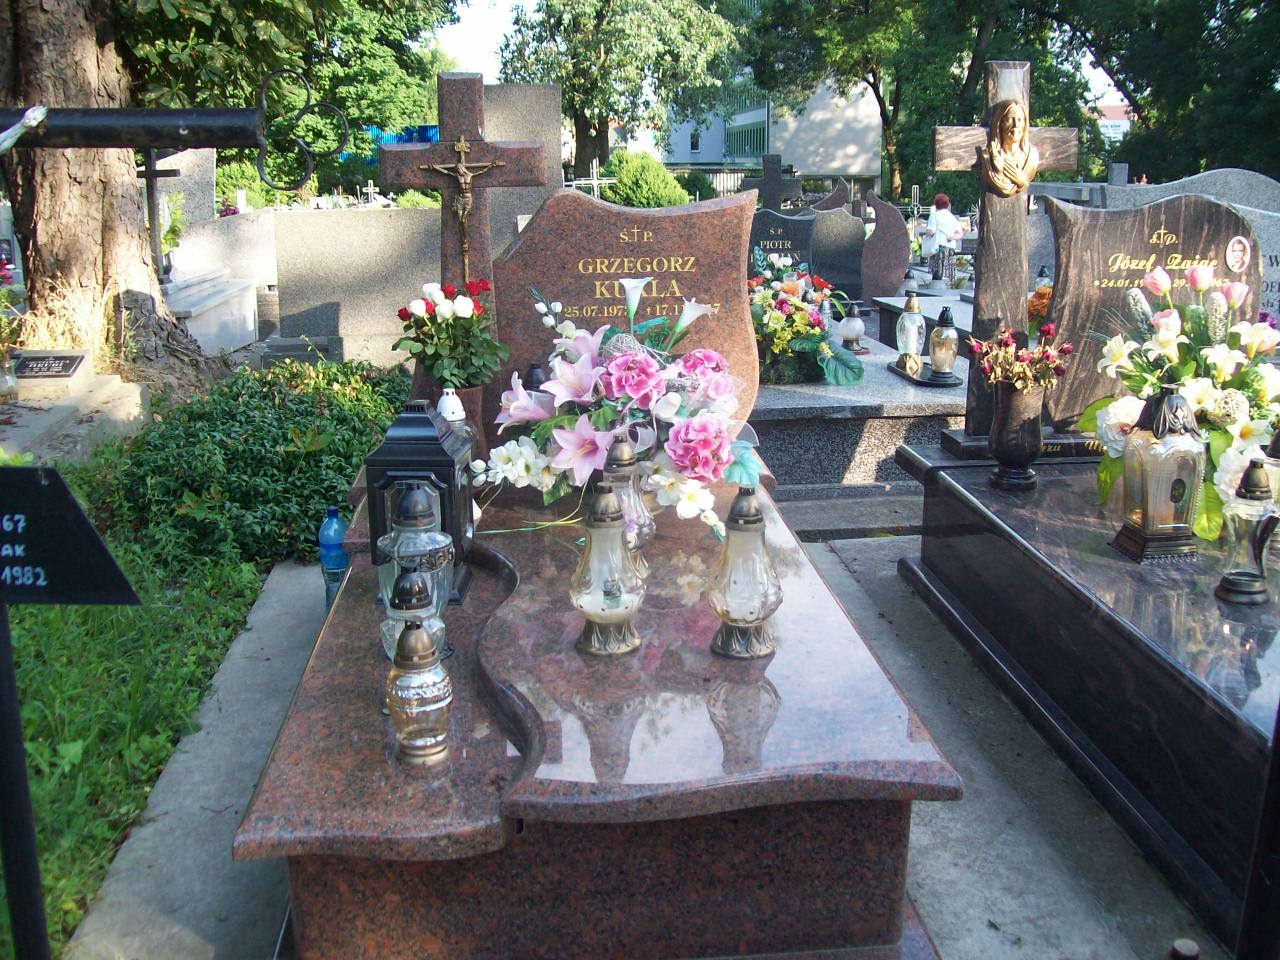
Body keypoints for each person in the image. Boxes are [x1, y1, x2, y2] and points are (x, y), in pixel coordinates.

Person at [979, 99, 1039, 197]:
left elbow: (1022, 183)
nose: (1016, 125)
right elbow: (1001, 187)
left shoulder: (1032, 156)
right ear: (1000, 123)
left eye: (1020, 120)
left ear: (1025, 124)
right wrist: (998, 172)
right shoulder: (988, 157)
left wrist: (1022, 182)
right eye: (1010, 119)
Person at [922, 193, 965, 258]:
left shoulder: (934, 215)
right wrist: (952, 237)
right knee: (949, 264)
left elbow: (931, 232)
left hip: (938, 247)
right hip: (950, 248)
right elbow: (960, 233)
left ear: (936, 204)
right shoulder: (952, 217)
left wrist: (927, 229)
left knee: (937, 264)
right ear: (947, 204)